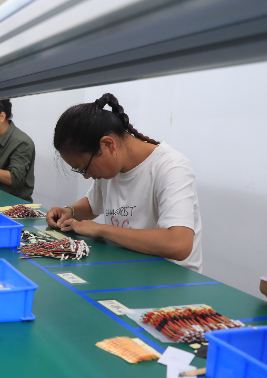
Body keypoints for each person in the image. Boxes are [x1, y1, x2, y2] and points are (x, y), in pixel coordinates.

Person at [46, 93, 202, 272]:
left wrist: (101, 229)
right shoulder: (111, 168)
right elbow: (93, 204)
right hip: (129, 268)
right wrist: (70, 211)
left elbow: (178, 244)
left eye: (85, 169)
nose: (87, 176)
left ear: (107, 145)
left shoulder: (171, 168)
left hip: (170, 278)